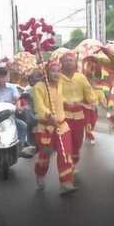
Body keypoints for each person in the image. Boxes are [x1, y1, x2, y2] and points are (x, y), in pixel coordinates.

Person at [32, 62, 78, 195]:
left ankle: (66, 182)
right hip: (46, 127)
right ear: (46, 72)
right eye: (53, 70)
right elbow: (39, 106)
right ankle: (40, 174)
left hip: (62, 126)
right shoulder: (38, 87)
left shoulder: (60, 84)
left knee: (65, 154)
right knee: (44, 156)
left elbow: (60, 99)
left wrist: (68, 103)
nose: (56, 73)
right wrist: (48, 115)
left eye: (58, 70)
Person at [59, 52, 97, 167]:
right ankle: (66, 166)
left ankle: (73, 163)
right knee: (65, 141)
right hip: (62, 114)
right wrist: (64, 101)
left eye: (71, 60)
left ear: (75, 63)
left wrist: (92, 101)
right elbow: (54, 93)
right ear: (61, 63)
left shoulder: (80, 77)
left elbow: (89, 91)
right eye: (66, 60)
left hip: (79, 114)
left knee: (77, 141)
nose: (69, 62)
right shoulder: (57, 77)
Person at [0, 66, 33, 154]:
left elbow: (17, 100)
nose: (1, 79)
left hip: (9, 117)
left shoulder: (12, 88)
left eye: (3, 77)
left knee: (22, 126)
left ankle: (20, 146)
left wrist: (18, 107)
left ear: (7, 77)